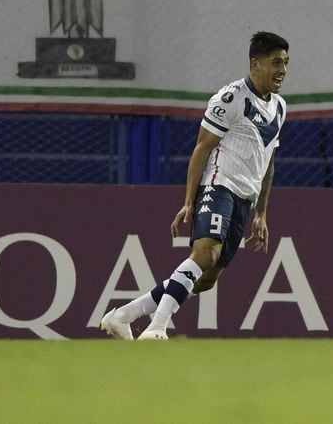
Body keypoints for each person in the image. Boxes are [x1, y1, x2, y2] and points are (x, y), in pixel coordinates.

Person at [100, 31, 289, 340]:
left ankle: (124, 315)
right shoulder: (231, 98)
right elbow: (202, 147)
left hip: (245, 197)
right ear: (255, 64)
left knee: (206, 279)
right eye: (275, 63)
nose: (282, 70)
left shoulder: (280, 107)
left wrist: (261, 213)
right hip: (219, 184)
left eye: (285, 63)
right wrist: (189, 200)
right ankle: (156, 327)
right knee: (205, 253)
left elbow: (269, 162)